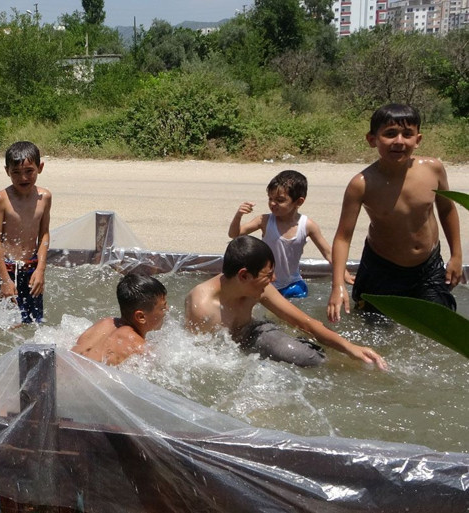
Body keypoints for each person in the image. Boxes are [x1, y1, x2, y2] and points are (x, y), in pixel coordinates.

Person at [327, 103, 463, 322]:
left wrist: (456, 255)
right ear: (372, 139)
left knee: (440, 326)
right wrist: (337, 286)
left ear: (418, 139)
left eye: (407, 134)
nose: (399, 141)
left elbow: (447, 209)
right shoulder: (362, 184)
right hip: (382, 269)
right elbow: (343, 237)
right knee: (375, 331)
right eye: (390, 134)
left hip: (428, 267)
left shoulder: (433, 169)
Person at [185, 236, 387, 369]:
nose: (273, 279)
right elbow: (200, 361)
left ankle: (333, 362)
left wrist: (349, 347)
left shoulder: (257, 288)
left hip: (254, 332)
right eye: (268, 274)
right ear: (244, 275)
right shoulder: (203, 308)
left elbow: (304, 322)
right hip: (227, 353)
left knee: (304, 357)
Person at [228, 169, 352, 299]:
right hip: (267, 283)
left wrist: (343, 272)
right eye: (270, 198)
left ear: (299, 202)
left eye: (280, 200)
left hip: (293, 283)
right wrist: (239, 215)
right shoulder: (264, 221)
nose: (272, 204)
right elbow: (234, 234)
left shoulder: (307, 225)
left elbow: (328, 252)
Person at [0, 141, 52, 324]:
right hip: (7, 268)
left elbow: (44, 234)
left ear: (40, 168)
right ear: (7, 171)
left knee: (35, 321)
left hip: (32, 267)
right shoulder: (1, 199)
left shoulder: (45, 197)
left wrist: (40, 270)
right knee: (9, 323)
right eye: (16, 172)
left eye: (29, 171)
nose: (23, 178)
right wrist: (5, 280)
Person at [71, 273, 168, 366]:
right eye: (162, 307)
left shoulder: (105, 322)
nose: (167, 309)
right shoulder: (138, 346)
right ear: (141, 317)